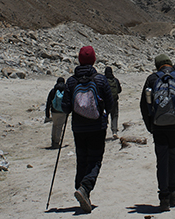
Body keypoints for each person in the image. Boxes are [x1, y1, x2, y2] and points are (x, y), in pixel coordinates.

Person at [63, 46, 112, 213]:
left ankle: (81, 189)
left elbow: (65, 107)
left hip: (78, 128)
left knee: (81, 159)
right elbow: (110, 103)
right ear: (94, 60)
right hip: (97, 127)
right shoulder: (100, 80)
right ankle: (85, 188)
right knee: (95, 159)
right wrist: (104, 114)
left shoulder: (71, 81)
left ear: (79, 60)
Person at [140, 54, 175, 211]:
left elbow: (143, 105)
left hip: (158, 125)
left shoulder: (152, 79)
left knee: (161, 160)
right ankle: (173, 191)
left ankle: (164, 197)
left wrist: (150, 126)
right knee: (172, 156)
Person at [44, 77, 69, 148]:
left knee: (55, 125)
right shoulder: (66, 91)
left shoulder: (53, 91)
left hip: (54, 111)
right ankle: (57, 142)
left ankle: (53, 140)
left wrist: (47, 114)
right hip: (63, 111)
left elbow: (48, 102)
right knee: (59, 127)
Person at [104, 66, 122, 140]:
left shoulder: (103, 80)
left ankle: (104, 132)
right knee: (114, 115)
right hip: (114, 101)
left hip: (105, 102)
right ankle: (114, 131)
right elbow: (119, 90)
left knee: (104, 116)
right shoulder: (115, 80)